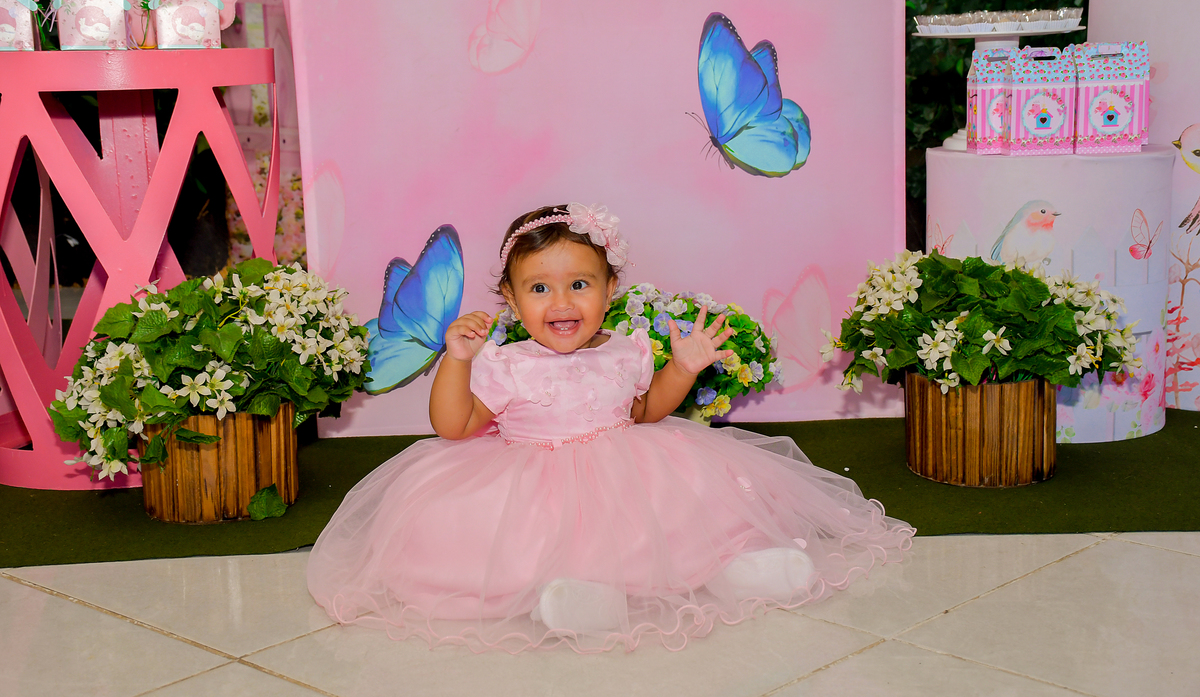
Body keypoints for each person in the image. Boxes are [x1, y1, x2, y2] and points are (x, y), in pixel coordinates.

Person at [307, 203, 913, 653]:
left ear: (609, 289)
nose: (561, 303)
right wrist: (457, 360)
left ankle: (735, 566)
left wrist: (682, 367)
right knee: (537, 536)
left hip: (626, 466)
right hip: (531, 476)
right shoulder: (506, 361)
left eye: (580, 285)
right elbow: (453, 426)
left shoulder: (626, 348)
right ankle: (582, 593)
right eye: (539, 289)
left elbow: (646, 414)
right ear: (511, 302)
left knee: (691, 505)